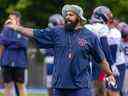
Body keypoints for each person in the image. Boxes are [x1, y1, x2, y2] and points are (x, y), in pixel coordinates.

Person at [6, 4, 115, 96]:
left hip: (81, 87)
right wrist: (16, 28)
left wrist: (109, 74)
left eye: (71, 15)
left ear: (79, 17)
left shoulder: (90, 36)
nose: (67, 17)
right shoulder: (56, 32)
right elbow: (34, 33)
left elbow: (101, 59)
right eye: (66, 15)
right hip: (60, 87)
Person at [85, 6, 114, 96]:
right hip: (97, 62)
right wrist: (110, 63)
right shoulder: (102, 27)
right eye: (107, 14)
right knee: (99, 90)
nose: (109, 17)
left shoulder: (86, 26)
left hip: (83, 61)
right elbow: (105, 47)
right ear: (102, 16)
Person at [0, 11, 28, 96]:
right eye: (9, 18)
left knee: (21, 86)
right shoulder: (6, 29)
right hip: (7, 62)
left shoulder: (23, 30)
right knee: (7, 86)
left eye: (12, 18)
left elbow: (23, 44)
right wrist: (15, 43)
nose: (10, 20)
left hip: (19, 63)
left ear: (18, 19)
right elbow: (2, 41)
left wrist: (10, 43)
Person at [40, 14, 64, 96]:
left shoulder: (46, 32)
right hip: (57, 59)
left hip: (50, 59)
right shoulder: (60, 32)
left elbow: (42, 50)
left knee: (50, 83)